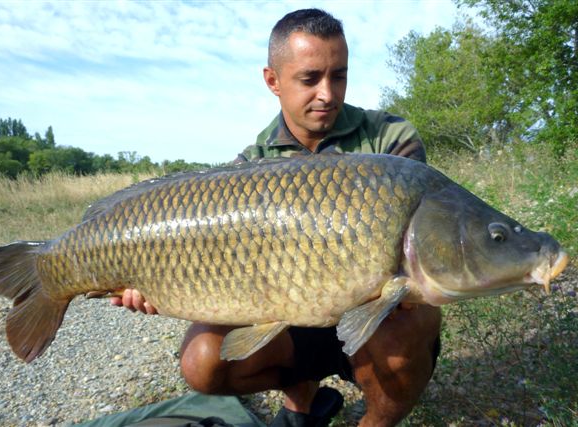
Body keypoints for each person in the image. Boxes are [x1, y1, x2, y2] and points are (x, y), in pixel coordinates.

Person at [112, 9, 442, 427]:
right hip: (293, 320)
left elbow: (423, 246)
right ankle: (301, 399)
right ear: (273, 80)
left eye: (338, 76)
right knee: (202, 362)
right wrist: (153, 282)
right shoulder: (250, 166)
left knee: (405, 320)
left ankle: (375, 422)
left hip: (378, 317)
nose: (327, 93)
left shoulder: (390, 140)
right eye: (310, 79)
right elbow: (214, 275)